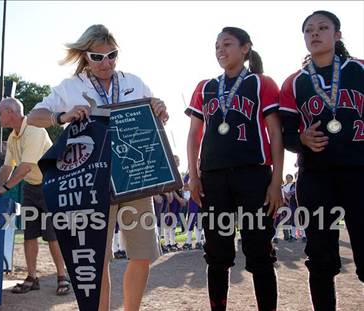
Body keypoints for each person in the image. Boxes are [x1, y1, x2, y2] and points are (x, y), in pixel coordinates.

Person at [26, 24, 169, 311]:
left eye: (112, 55)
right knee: (97, 257)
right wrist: (62, 116)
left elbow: (155, 116)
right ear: (85, 56)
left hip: (134, 177)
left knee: (142, 254)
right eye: (98, 57)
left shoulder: (135, 82)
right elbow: (33, 116)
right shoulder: (71, 86)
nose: (107, 63)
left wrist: (160, 109)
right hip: (91, 180)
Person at [186, 27, 283, 311]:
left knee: (260, 253)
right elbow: (193, 135)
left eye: (227, 44)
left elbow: (275, 133)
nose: (220, 50)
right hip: (214, 179)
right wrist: (193, 176)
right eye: (216, 45)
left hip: (253, 175)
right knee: (217, 254)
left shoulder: (261, 83)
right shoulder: (205, 87)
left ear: (245, 48)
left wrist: (276, 181)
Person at [279, 10, 363, 311]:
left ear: (337, 35)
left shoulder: (360, 70)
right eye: (309, 30)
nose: (315, 34)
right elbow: (285, 135)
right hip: (316, 176)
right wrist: (301, 139)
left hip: (360, 172)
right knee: (320, 257)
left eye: (323, 28)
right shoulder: (294, 82)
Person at [0, 97, 70, 296]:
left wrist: (5, 188)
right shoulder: (13, 137)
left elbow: (26, 166)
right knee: (30, 234)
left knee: (52, 236)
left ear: (10, 112)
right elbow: (8, 166)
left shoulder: (34, 129)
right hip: (31, 187)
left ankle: (61, 277)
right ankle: (32, 277)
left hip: (51, 185)